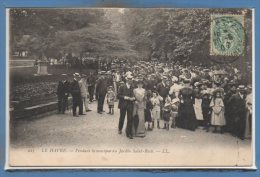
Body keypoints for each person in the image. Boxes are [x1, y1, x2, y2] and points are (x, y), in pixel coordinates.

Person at [117, 75, 135, 139]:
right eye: (129, 79)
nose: (130, 80)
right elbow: (118, 96)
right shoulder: (122, 86)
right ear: (127, 80)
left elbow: (134, 95)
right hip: (123, 104)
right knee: (122, 117)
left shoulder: (133, 87)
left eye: (131, 79)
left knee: (130, 118)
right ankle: (120, 128)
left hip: (130, 105)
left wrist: (133, 98)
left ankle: (128, 133)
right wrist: (126, 97)